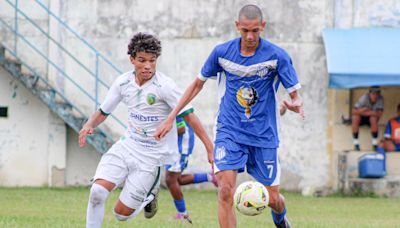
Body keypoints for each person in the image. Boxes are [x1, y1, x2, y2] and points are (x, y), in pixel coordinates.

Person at [155, 5, 303, 228]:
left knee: (273, 200)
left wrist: (296, 103)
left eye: (255, 30)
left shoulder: (277, 56)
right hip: (229, 131)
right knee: (225, 191)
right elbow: (196, 85)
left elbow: (295, 93)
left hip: (263, 135)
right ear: (237, 26)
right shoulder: (222, 53)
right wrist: (171, 117)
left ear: (263, 26)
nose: (250, 36)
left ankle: (280, 218)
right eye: (245, 30)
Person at [79, 32, 213, 228]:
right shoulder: (123, 83)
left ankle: (150, 195)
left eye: (152, 61)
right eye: (142, 60)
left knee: (120, 215)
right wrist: (89, 124)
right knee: (97, 193)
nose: (148, 66)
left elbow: (190, 115)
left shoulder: (165, 86)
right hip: (127, 146)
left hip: (152, 157)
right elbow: (103, 111)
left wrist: (209, 147)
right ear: (132, 59)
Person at [165, 116, 218, 223]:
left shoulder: (173, 102)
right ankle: (211, 177)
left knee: (170, 179)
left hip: (180, 147)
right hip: (177, 146)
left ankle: (183, 214)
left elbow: (181, 129)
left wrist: (161, 131)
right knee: (177, 180)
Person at [351, 87, 384, 151]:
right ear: (369, 94)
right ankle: (356, 144)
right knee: (355, 118)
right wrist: (365, 110)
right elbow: (354, 111)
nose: (375, 95)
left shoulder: (380, 98)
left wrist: (363, 112)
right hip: (361, 118)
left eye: (377, 93)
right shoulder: (364, 98)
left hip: (372, 120)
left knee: (373, 118)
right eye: (373, 93)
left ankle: (374, 145)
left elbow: (379, 114)